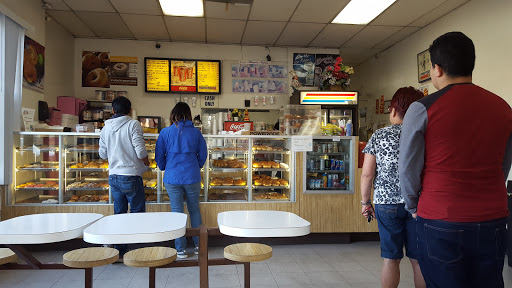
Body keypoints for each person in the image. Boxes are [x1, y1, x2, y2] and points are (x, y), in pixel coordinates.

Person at [399, 31, 512, 288]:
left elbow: (408, 168)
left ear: (436, 69)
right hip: (493, 217)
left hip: (441, 217)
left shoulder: (423, 108)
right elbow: (503, 164)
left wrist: (413, 205)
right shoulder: (503, 107)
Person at [360, 87, 425, 288]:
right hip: (418, 203)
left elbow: (367, 173)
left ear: (395, 110)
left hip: (386, 204)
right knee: (418, 259)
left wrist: (365, 202)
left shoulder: (379, 135)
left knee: (390, 257)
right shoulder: (423, 134)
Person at [155, 102, 207, 259]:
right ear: (189, 115)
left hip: (172, 177)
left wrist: (165, 167)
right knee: (194, 210)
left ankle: (180, 250)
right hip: (192, 176)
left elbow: (159, 156)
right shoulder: (196, 133)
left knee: (177, 212)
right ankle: (199, 246)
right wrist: (195, 166)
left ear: (173, 114)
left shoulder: (165, 132)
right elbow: (203, 154)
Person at [99, 96, 149, 256]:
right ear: (129, 110)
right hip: (131, 176)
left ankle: (120, 249)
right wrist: (147, 163)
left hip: (114, 177)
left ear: (113, 110)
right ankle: (138, 249)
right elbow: (141, 151)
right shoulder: (133, 124)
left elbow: (102, 154)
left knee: (119, 214)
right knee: (137, 213)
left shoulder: (106, 127)